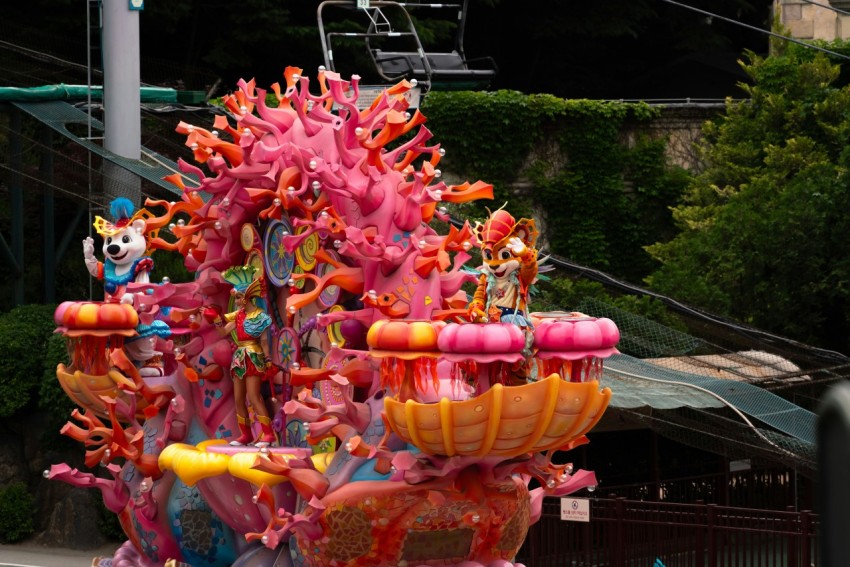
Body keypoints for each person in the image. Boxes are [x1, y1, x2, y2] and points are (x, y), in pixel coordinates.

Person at [214, 265, 276, 446]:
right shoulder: (238, 315)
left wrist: (267, 359)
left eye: (239, 297)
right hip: (240, 357)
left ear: (247, 296)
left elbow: (264, 341)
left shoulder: (260, 316)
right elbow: (223, 332)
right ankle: (246, 435)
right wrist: (217, 321)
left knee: (253, 397)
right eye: (237, 297)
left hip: (254, 356)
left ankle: (268, 434)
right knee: (239, 398)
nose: (237, 300)